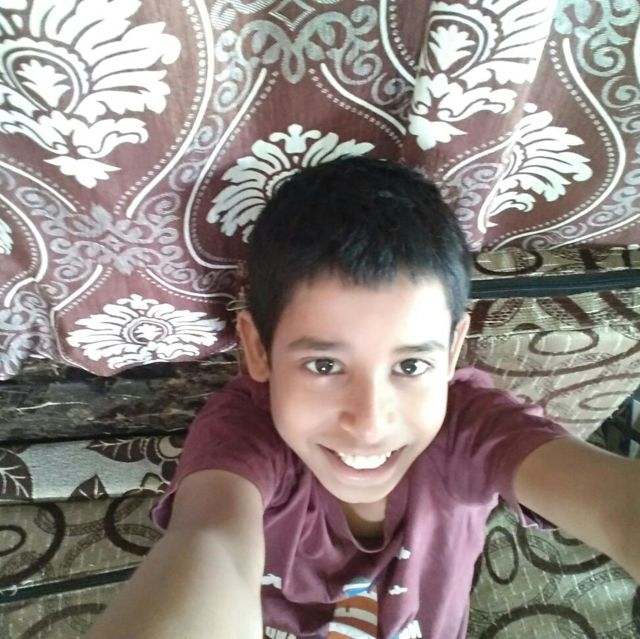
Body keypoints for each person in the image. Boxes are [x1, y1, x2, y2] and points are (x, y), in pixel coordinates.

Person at [87, 157, 640, 639]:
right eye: (324, 365)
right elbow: (212, 538)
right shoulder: (241, 433)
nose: (370, 423)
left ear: (452, 351)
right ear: (257, 349)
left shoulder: (472, 426)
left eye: (411, 366)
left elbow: (617, 505)